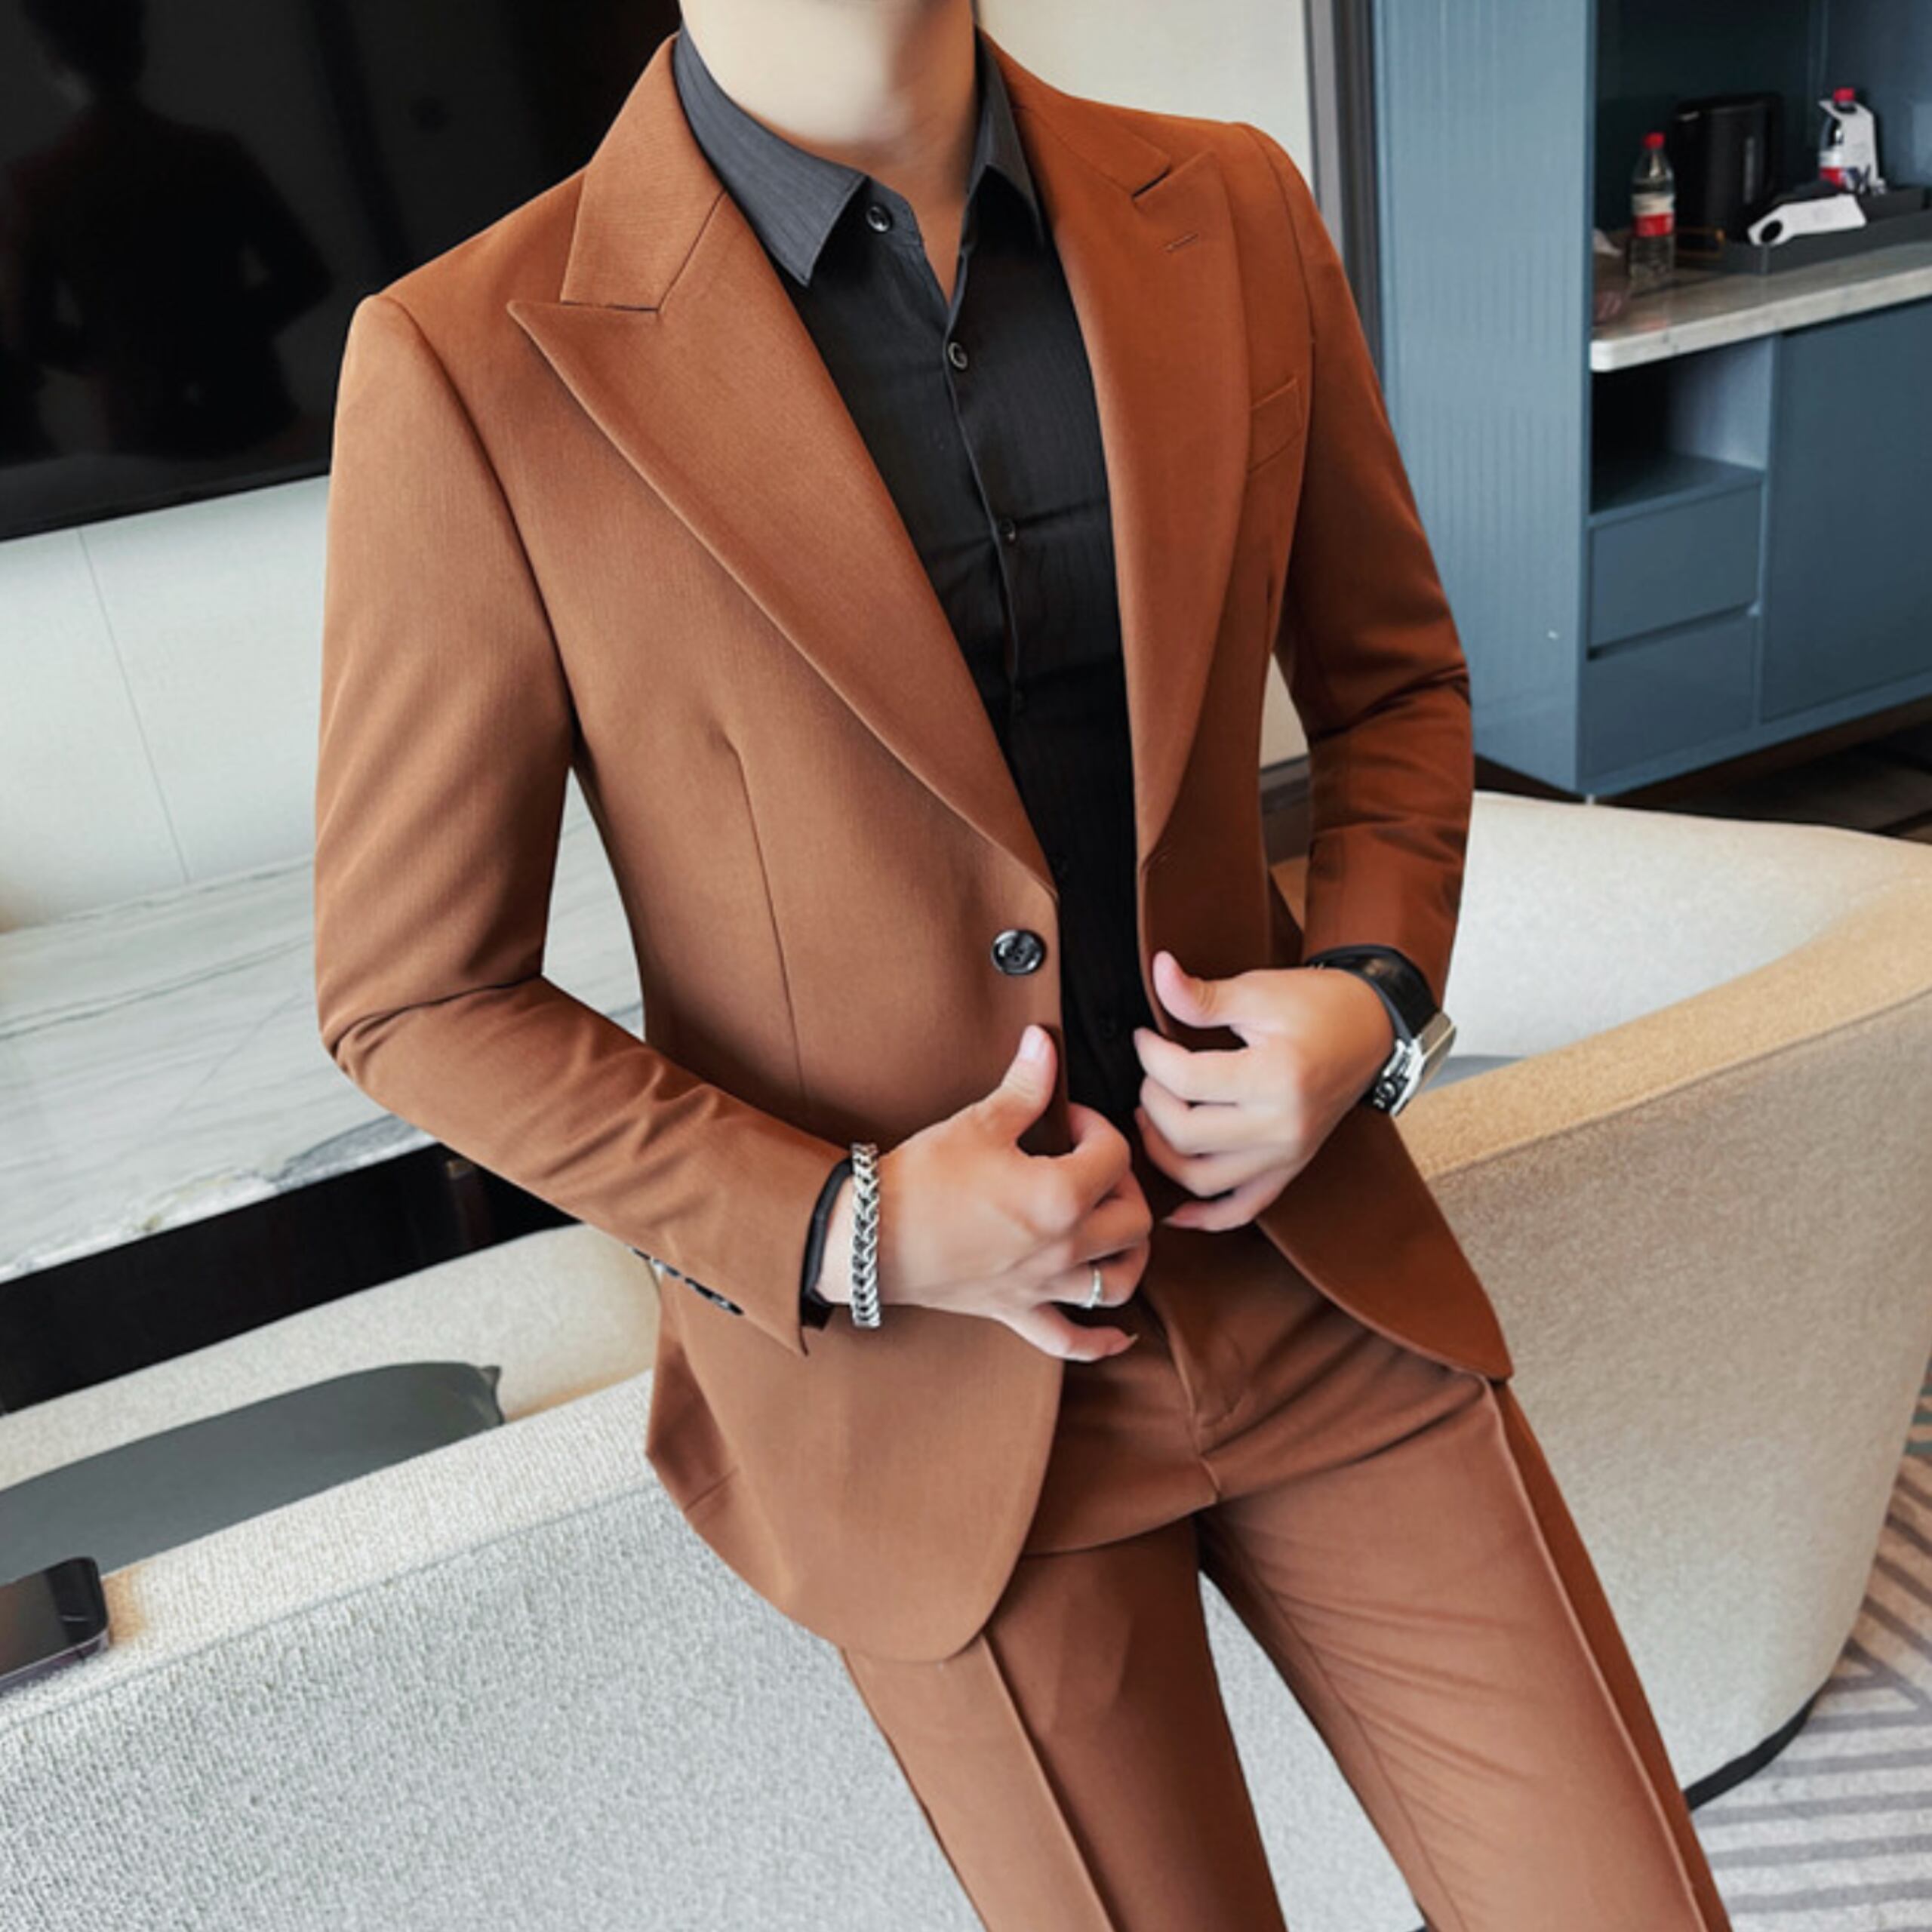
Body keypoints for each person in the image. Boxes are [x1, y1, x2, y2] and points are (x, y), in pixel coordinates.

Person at [312, 2, 1737, 1925]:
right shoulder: (468, 358)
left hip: (1312, 1277)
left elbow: (1391, 681)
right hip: (932, 1395)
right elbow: (414, 989)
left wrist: (1369, 998)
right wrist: (853, 1225)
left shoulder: (1226, 202)